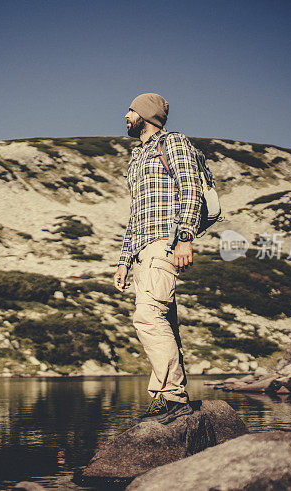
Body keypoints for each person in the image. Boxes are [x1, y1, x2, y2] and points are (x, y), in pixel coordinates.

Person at [114, 93, 204, 424]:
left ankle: (173, 399)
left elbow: (191, 188)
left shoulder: (174, 142)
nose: (125, 115)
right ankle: (166, 401)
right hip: (141, 253)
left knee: (148, 317)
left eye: (131, 110)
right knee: (163, 322)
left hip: (164, 243)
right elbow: (135, 214)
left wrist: (184, 238)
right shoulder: (137, 158)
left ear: (147, 115)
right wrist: (124, 261)